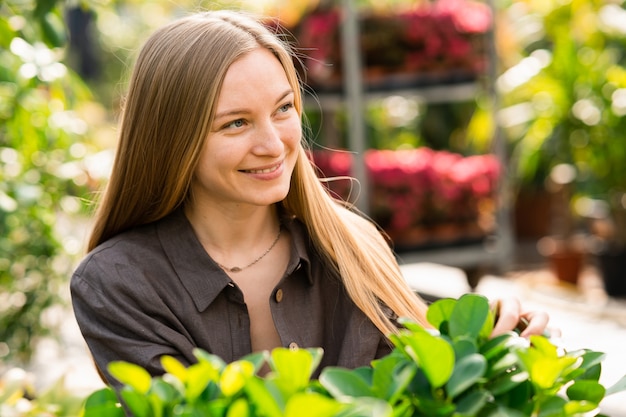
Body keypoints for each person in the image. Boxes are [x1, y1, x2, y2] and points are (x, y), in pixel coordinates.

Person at [70, 9, 552, 388]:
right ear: (173, 139)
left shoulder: (351, 245)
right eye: (235, 122)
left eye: (283, 109)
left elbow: (420, 377)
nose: (272, 142)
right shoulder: (118, 283)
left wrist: (487, 338)